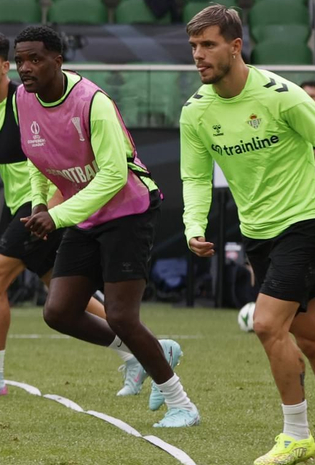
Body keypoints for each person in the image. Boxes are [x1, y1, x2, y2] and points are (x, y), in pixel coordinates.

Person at [180, 6, 315, 465]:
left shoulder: (280, 95)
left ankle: (296, 435)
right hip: (258, 234)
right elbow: (194, 176)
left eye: (208, 44)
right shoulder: (195, 111)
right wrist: (194, 224)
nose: (199, 55)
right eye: (194, 46)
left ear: (235, 47)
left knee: (267, 324)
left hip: (304, 224)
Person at [0, 32, 155, 398]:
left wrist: (54, 208)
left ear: (6, 66)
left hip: (44, 206)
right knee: (64, 293)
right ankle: (146, 352)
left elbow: (58, 157)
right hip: (29, 208)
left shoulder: (26, 99)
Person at [12, 25, 198, 427]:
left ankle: (181, 403)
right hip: (84, 214)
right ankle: (149, 352)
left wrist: (57, 215)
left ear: (58, 60)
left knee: (121, 316)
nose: (24, 68)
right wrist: (40, 201)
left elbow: (114, 175)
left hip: (129, 212)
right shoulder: (21, 99)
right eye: (20, 60)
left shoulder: (92, 102)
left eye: (35, 59)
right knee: (59, 311)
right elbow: (35, 156)